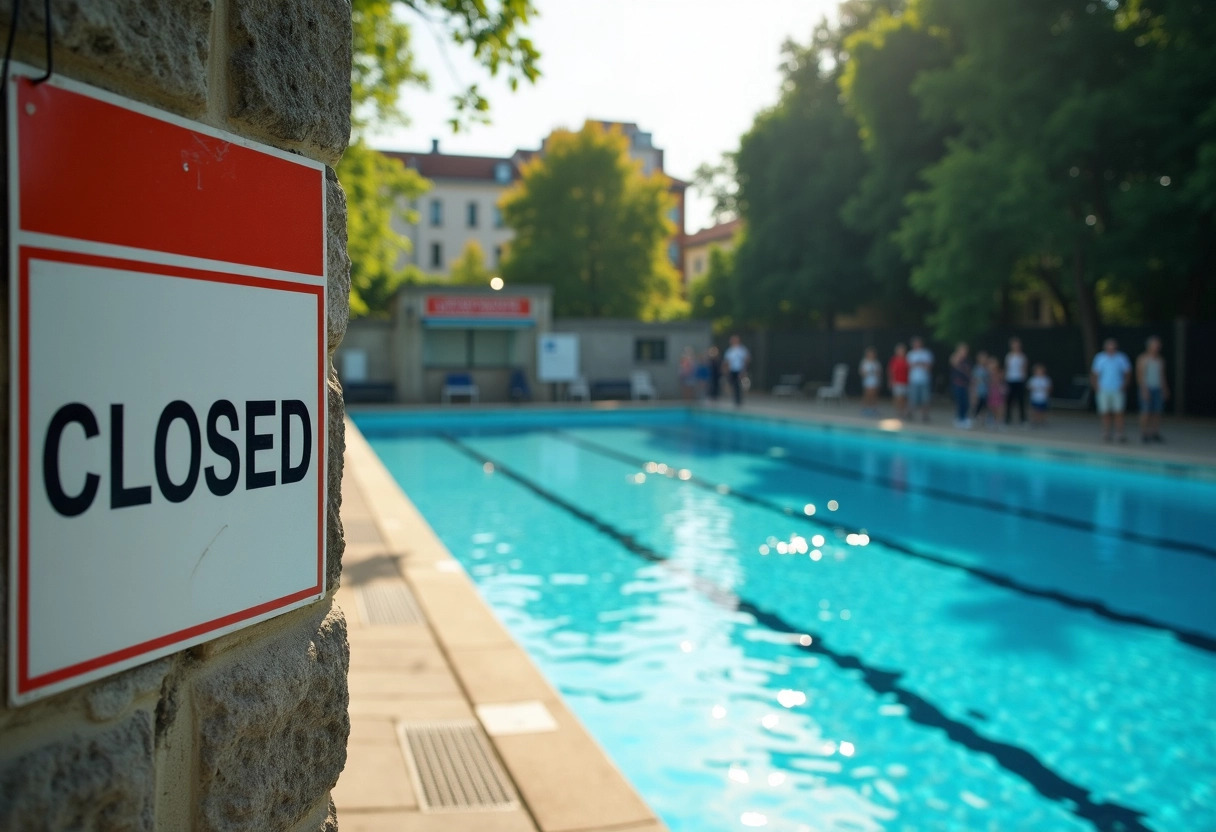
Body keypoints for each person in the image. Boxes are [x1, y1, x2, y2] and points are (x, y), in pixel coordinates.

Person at [1091, 338, 1132, 443]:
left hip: (1117, 389)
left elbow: (1127, 372)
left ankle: (1120, 433)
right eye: (1109, 347)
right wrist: (1096, 387)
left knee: (1119, 412)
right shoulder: (1100, 358)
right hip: (1103, 389)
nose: (1111, 349)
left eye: (1113, 347)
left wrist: (1124, 385)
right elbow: (1095, 374)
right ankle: (1106, 433)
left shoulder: (1121, 358)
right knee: (1105, 412)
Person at [1136, 336, 1169, 443]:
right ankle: (1144, 433)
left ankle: (1155, 433)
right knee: (1145, 412)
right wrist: (1144, 390)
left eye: (1158, 346)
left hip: (1157, 388)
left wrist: (1165, 388)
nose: (1157, 347)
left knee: (1157, 412)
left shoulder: (1160, 360)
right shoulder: (1143, 359)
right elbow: (1140, 376)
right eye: (1155, 345)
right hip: (1147, 388)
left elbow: (1162, 375)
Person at [906, 336, 934, 422]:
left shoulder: (926, 353)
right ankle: (910, 413)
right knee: (912, 398)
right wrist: (921, 364)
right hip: (913, 380)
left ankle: (924, 415)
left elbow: (929, 366)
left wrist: (919, 364)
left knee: (925, 399)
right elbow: (909, 366)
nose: (917, 344)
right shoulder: (910, 354)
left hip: (924, 380)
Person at [1004, 337, 1029, 426]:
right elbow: (1007, 368)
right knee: (1009, 401)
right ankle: (1007, 418)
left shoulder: (1022, 356)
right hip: (1010, 380)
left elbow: (1024, 369)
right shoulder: (1009, 356)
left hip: (1019, 380)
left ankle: (1023, 419)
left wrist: (1023, 380)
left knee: (1021, 400)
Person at [949, 343, 972, 428]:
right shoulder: (955, 358)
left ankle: (964, 418)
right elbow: (953, 362)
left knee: (965, 402)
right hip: (957, 384)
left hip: (965, 384)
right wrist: (958, 355)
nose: (964, 352)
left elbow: (969, 372)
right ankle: (959, 418)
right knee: (959, 401)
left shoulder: (967, 361)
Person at [724, 335, 750, 407]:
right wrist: (727, 370)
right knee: (733, 385)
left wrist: (744, 370)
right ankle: (735, 400)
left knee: (740, 385)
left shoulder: (742, 350)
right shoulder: (730, 350)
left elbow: (746, 360)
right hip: (732, 370)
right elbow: (727, 361)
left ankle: (739, 400)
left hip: (739, 370)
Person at [887, 343, 909, 419]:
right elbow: (891, 371)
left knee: (904, 398)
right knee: (898, 397)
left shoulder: (907, 359)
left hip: (906, 381)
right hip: (897, 381)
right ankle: (898, 412)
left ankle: (903, 412)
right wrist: (891, 380)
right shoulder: (894, 360)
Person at [859, 347, 882, 416]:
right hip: (867, 382)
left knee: (874, 395)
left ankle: (873, 409)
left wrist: (876, 373)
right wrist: (866, 373)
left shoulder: (876, 363)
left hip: (875, 382)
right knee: (867, 395)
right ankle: (865, 408)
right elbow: (861, 372)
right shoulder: (864, 362)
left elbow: (879, 373)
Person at [971, 351, 991, 424]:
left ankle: (984, 419)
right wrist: (973, 392)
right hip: (978, 390)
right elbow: (974, 381)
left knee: (985, 405)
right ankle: (975, 417)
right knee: (978, 405)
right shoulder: (977, 369)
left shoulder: (987, 369)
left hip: (986, 391)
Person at [986, 357, 1006, 427]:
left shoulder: (1000, 373)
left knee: (1000, 407)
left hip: (998, 392)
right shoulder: (988, 373)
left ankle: (999, 421)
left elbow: (1001, 381)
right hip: (991, 392)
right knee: (992, 407)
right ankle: (993, 420)